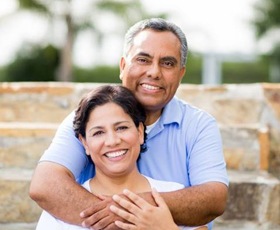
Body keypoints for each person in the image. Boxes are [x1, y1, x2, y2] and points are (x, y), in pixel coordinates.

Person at [29, 18, 228, 230]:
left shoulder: (198, 125)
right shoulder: (88, 117)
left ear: (181, 74)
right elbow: (45, 185)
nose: (154, 72)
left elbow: (213, 198)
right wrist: (123, 219)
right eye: (143, 59)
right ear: (123, 66)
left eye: (168, 63)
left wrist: (134, 213)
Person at [36, 85, 207, 230]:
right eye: (98, 132)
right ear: (85, 143)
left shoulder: (173, 194)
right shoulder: (59, 210)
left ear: (140, 132)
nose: (112, 141)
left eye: (122, 128)